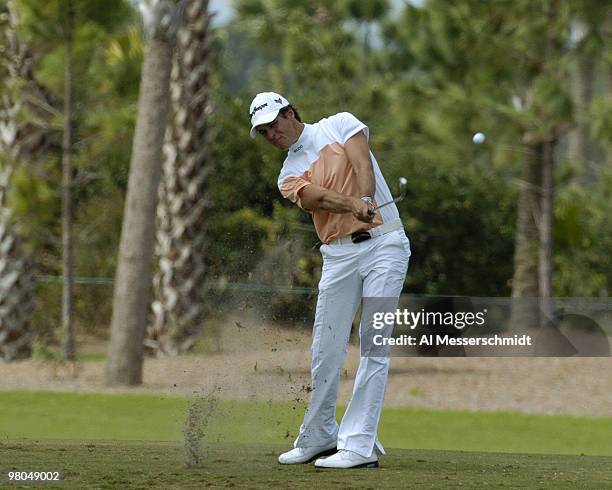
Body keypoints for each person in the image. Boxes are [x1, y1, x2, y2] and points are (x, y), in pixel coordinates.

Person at [249, 92, 411, 469]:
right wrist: (353, 204)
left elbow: (360, 160)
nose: (272, 135)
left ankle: (359, 444)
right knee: (325, 349)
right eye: (264, 132)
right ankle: (320, 434)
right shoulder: (286, 175)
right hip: (338, 256)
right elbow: (315, 197)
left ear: (291, 113)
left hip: (385, 244)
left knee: (374, 345)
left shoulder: (339, 124)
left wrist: (367, 195)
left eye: (274, 124)